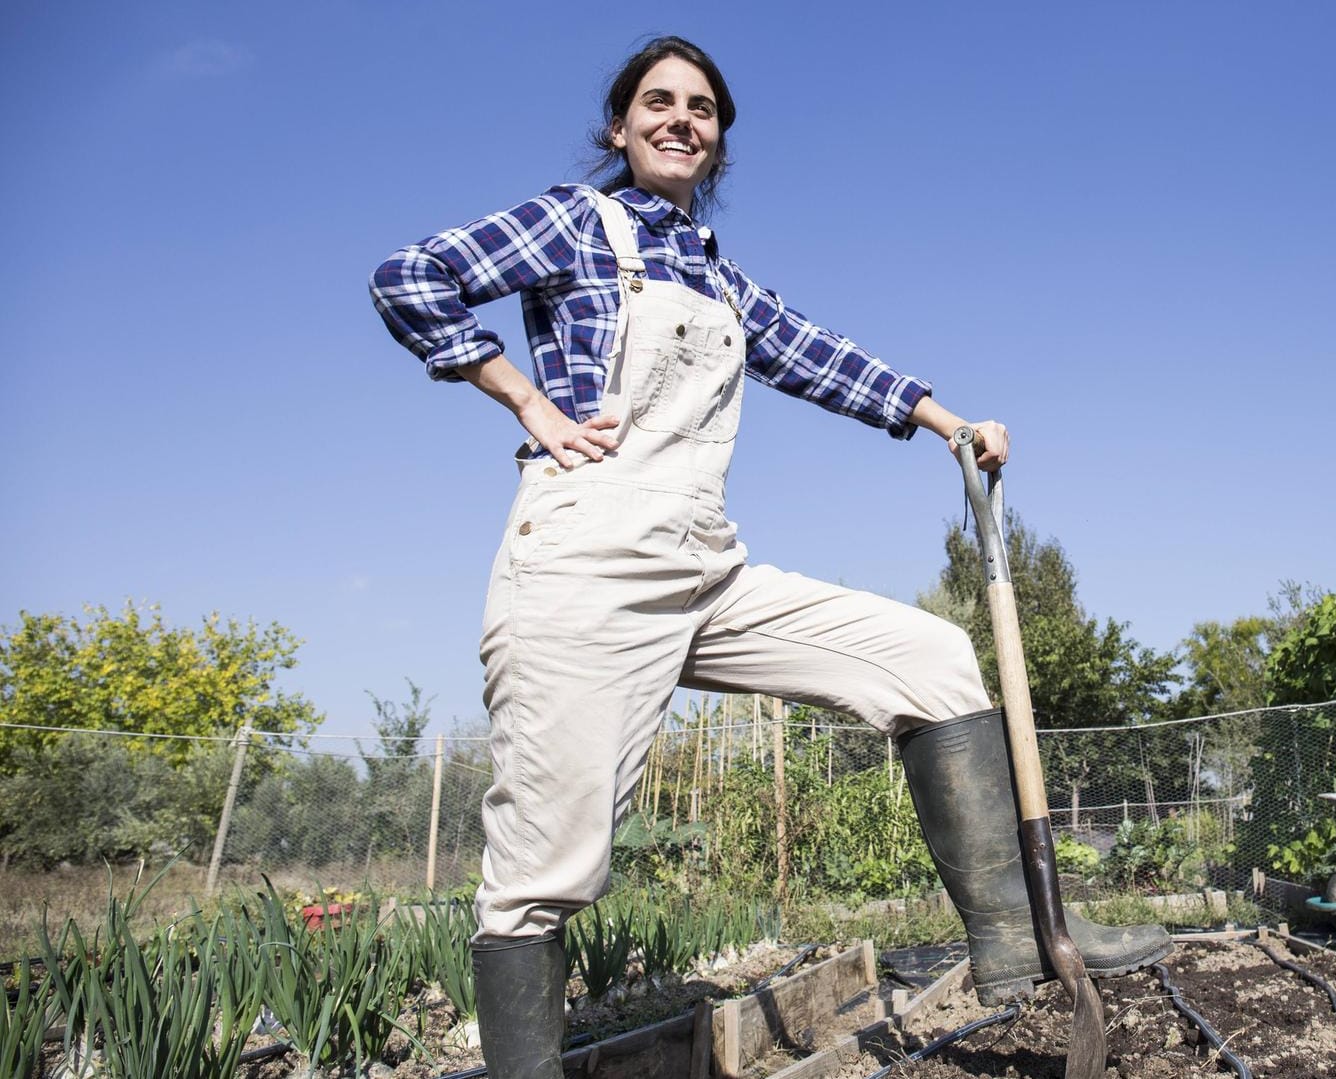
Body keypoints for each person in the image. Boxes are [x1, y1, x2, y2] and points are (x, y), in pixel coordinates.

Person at [370, 36, 1169, 1079]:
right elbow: (412, 276)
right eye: (657, 103)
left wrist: (947, 420)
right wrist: (524, 398)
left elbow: (817, 352)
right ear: (621, 126)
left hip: (707, 564)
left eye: (702, 110)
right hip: (588, 559)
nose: (681, 120)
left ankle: (1016, 937)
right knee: (549, 860)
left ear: (717, 142)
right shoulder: (578, 219)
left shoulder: (719, 277)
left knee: (929, 658)